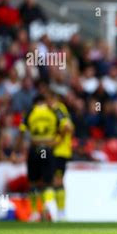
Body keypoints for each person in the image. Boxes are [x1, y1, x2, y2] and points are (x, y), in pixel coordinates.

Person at [15, 94, 60, 222]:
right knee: (48, 182)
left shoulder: (30, 112)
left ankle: (34, 212)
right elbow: (65, 127)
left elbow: (22, 131)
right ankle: (46, 206)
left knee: (33, 182)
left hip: (35, 149)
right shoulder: (53, 112)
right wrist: (55, 141)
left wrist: (16, 150)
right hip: (48, 149)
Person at [47, 90, 73, 221]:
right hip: (61, 151)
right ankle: (58, 212)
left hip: (59, 151)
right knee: (56, 180)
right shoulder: (61, 109)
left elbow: (68, 127)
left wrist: (57, 140)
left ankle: (57, 212)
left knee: (55, 180)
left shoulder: (57, 109)